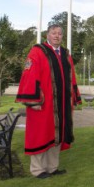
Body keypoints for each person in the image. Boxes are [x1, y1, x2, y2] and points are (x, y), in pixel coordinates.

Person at [15, 24, 81, 179]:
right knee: (41, 134)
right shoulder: (38, 52)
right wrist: (34, 101)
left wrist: (74, 97)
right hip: (44, 103)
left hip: (62, 103)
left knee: (57, 134)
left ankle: (52, 167)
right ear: (47, 35)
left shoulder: (65, 54)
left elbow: (72, 76)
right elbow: (29, 75)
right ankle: (37, 170)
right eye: (53, 33)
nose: (57, 36)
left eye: (59, 33)